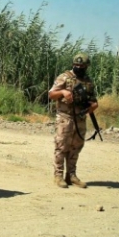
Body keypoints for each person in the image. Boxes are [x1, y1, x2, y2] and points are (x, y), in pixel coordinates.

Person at [47, 53, 98, 188]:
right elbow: (51, 94)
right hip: (65, 117)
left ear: (86, 66)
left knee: (76, 147)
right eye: (76, 65)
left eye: (82, 66)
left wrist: (92, 107)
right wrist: (63, 92)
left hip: (80, 118)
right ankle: (58, 176)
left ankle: (71, 176)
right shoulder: (64, 77)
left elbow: (93, 100)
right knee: (61, 146)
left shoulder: (88, 81)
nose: (79, 67)